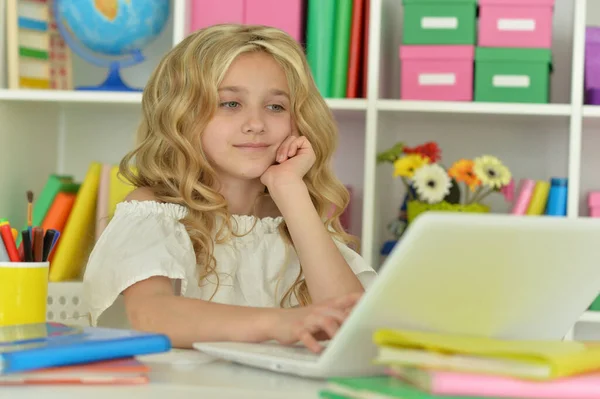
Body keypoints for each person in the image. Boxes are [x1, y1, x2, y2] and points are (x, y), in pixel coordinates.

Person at [83, 24, 377, 354]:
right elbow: (150, 314)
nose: (256, 123)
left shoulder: (295, 220)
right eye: (230, 103)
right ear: (182, 114)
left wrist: (289, 189)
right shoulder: (154, 211)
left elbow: (353, 324)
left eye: (276, 106)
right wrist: (277, 323)